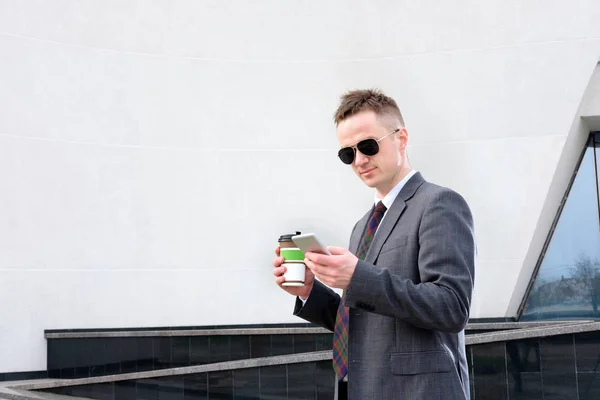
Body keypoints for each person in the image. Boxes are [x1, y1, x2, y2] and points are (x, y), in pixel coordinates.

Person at [272, 89, 475, 399]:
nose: (360, 160)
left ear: (401, 138)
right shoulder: (362, 226)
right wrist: (310, 291)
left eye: (368, 145)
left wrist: (357, 277)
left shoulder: (440, 204)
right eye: (348, 153)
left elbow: (451, 307)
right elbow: (363, 321)